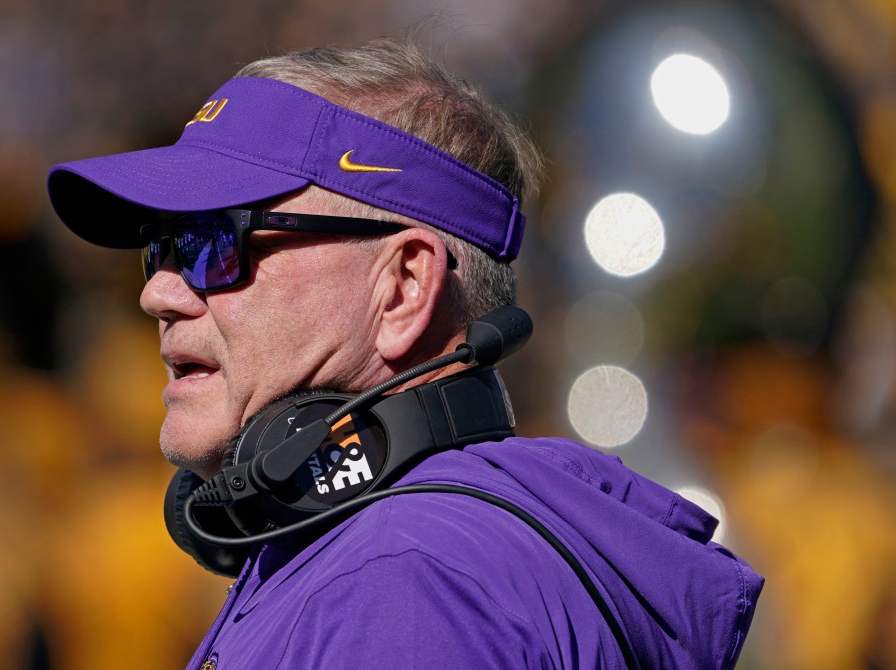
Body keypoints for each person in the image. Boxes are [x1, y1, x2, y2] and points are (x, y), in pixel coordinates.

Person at [47, 38, 763, 669]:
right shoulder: (402, 552)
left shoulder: (404, 583)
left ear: (404, 287)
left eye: (216, 241)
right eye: (163, 248)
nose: (160, 294)